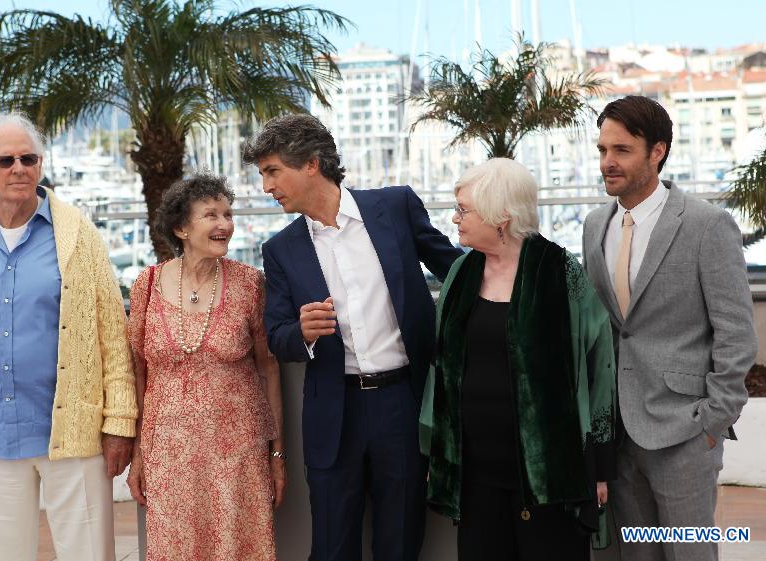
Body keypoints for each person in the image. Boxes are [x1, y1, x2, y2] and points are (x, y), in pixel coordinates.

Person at [243, 114, 462, 561]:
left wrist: (519, 271)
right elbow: (277, 336)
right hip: (333, 413)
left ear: (310, 164)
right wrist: (300, 332)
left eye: (272, 171)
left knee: (400, 540)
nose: (266, 186)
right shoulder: (280, 249)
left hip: (403, 404)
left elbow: (456, 270)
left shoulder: (396, 207)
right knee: (332, 546)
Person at [0, 113, 137, 561]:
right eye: (6, 160)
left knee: (88, 554)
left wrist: (119, 424)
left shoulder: (77, 232)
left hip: (74, 433)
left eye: (29, 158)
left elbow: (112, 335)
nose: (19, 168)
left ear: (40, 164)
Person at [582, 95, 758, 561]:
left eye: (620, 150)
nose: (607, 163)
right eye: (602, 150)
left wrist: (712, 421)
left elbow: (737, 334)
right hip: (619, 433)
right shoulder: (594, 225)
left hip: (685, 430)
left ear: (656, 151)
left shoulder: (706, 225)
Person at [422, 158, 617, 561]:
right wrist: (439, 453)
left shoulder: (559, 271)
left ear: (500, 217)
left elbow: (600, 367)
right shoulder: (461, 272)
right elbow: (441, 368)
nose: (454, 218)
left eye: (464, 209)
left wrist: (598, 465)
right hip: (476, 472)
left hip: (548, 473)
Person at [125, 173, 285, 561]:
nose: (224, 224)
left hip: (238, 453)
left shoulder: (250, 284)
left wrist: (277, 455)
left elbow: (269, 369)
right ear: (181, 227)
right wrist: (138, 455)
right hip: (169, 452)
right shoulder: (145, 285)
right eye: (211, 215)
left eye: (228, 214)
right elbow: (139, 374)